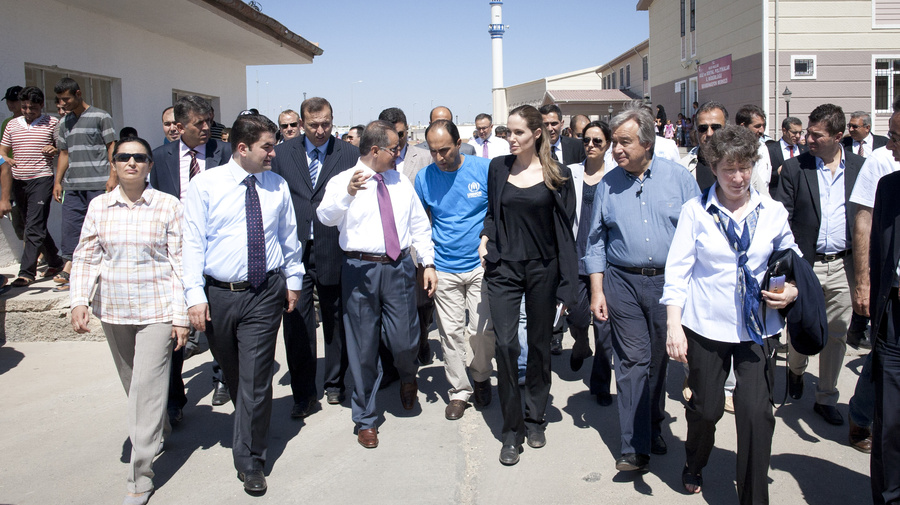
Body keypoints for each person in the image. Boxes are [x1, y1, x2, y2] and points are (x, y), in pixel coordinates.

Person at [662, 125, 799, 501]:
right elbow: (677, 273)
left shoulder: (771, 211)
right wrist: (674, 326)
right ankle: (695, 460)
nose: (738, 178)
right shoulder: (696, 211)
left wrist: (791, 290)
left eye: (745, 168)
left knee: (756, 415)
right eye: (728, 169)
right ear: (713, 168)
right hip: (707, 326)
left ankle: (754, 497)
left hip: (758, 328)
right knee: (706, 410)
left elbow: (793, 260)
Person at [183, 113, 304, 494]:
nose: (274, 153)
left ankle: (251, 459)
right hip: (220, 294)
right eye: (267, 147)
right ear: (242, 148)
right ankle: (249, 421)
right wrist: (194, 296)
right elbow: (192, 244)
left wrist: (294, 280)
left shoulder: (277, 186)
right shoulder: (205, 186)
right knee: (234, 374)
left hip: (264, 293)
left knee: (254, 377)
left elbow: (289, 238)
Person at [70, 136, 190, 505]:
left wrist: (180, 315)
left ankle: (140, 474)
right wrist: (78, 300)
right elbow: (86, 255)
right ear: (114, 164)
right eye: (123, 157)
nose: (131, 163)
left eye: (139, 157)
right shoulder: (99, 207)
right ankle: (160, 426)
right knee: (131, 382)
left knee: (146, 385)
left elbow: (180, 262)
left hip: (156, 310)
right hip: (115, 309)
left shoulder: (168, 206)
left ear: (150, 165)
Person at [585, 102, 700, 473]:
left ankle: (652, 424)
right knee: (632, 362)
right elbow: (595, 242)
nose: (616, 149)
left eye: (625, 142)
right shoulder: (608, 184)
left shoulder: (679, 179)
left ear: (648, 143)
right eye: (614, 142)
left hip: (669, 285)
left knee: (657, 361)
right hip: (623, 284)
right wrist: (598, 291)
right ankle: (633, 446)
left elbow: (699, 233)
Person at [317, 120, 435, 449]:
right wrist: (348, 193)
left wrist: (427, 263)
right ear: (375, 150)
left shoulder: (399, 182)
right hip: (359, 271)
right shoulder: (344, 180)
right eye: (395, 149)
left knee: (405, 340)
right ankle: (365, 418)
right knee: (363, 347)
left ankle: (407, 376)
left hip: (397, 269)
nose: (399, 154)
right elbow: (325, 217)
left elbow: (419, 225)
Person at [479, 104, 576, 466]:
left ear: (537, 133)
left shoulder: (558, 174)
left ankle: (536, 418)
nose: (511, 138)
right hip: (504, 268)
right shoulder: (497, 168)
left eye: (518, 132)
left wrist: (568, 287)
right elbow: (492, 212)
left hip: (543, 269)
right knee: (505, 345)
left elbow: (566, 235)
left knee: (537, 345)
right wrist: (486, 237)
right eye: (508, 132)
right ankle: (511, 430)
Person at [775, 103, 865, 426]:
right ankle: (796, 370)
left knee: (837, 333)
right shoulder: (796, 169)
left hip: (843, 265)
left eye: (816, 135)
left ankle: (826, 396)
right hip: (806, 265)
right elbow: (780, 217)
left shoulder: (859, 168)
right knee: (803, 327)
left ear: (837, 137)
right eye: (807, 133)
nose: (807, 140)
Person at [271, 97, 359, 416]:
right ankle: (303, 394)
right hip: (294, 252)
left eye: (326, 124)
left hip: (333, 247)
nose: (320, 130)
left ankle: (335, 384)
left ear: (333, 120)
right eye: (313, 125)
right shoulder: (282, 154)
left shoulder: (349, 154)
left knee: (336, 319)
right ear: (302, 123)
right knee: (297, 323)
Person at [149, 95, 233, 421]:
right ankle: (174, 401)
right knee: (175, 328)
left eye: (209, 121)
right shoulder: (159, 159)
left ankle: (223, 376)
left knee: (218, 323)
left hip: (216, 252)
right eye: (200, 123)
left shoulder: (224, 154)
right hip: (175, 255)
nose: (206, 128)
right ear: (180, 126)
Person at [415, 119, 495, 420]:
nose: (439, 157)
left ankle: (482, 376)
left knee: (481, 331)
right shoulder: (424, 178)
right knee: (450, 334)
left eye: (445, 150)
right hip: (444, 267)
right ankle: (459, 391)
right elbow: (420, 224)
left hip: (479, 265)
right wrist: (428, 264)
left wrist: (489, 244)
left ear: (459, 144)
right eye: (433, 151)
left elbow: (495, 211)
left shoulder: (483, 170)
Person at [566, 120, 615, 405]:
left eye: (597, 141)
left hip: (605, 261)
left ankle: (600, 385)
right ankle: (581, 344)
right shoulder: (571, 173)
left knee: (604, 324)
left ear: (607, 143)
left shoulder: (616, 176)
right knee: (578, 316)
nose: (591, 145)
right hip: (575, 255)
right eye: (587, 140)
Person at [54, 77, 117, 291]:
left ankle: (103, 270)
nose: (63, 104)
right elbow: (64, 153)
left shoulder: (101, 116)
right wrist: (58, 181)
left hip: (98, 183)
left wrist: (113, 176)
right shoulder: (64, 122)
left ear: (78, 94)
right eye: (60, 100)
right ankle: (70, 268)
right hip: (73, 186)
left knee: (102, 229)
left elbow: (111, 147)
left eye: (66, 99)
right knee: (71, 228)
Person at [0, 86, 66, 287]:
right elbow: (3, 150)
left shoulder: (52, 123)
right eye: (25, 107)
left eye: (33, 108)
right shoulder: (12, 125)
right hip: (19, 181)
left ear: (42, 106)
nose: (28, 112)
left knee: (34, 225)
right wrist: (6, 159)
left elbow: (63, 150)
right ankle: (55, 260)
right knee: (31, 224)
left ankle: (26, 272)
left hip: (42, 179)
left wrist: (53, 149)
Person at [868, 97, 900, 505]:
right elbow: (879, 254)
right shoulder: (889, 187)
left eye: (895, 137)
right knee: (889, 425)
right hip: (894, 319)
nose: (890, 147)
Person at [680, 101, 728, 190]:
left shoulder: (743, 165)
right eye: (703, 128)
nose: (709, 133)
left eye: (716, 127)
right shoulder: (682, 168)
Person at [734, 105, 774, 197]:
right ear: (743, 126)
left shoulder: (763, 147)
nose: (762, 130)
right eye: (757, 126)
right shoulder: (733, 150)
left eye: (763, 126)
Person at [767, 116, 808, 196]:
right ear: (784, 130)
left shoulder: (805, 150)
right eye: (794, 132)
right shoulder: (770, 150)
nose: (798, 136)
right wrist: (777, 173)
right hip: (778, 196)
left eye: (800, 132)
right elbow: (763, 177)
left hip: (800, 197)